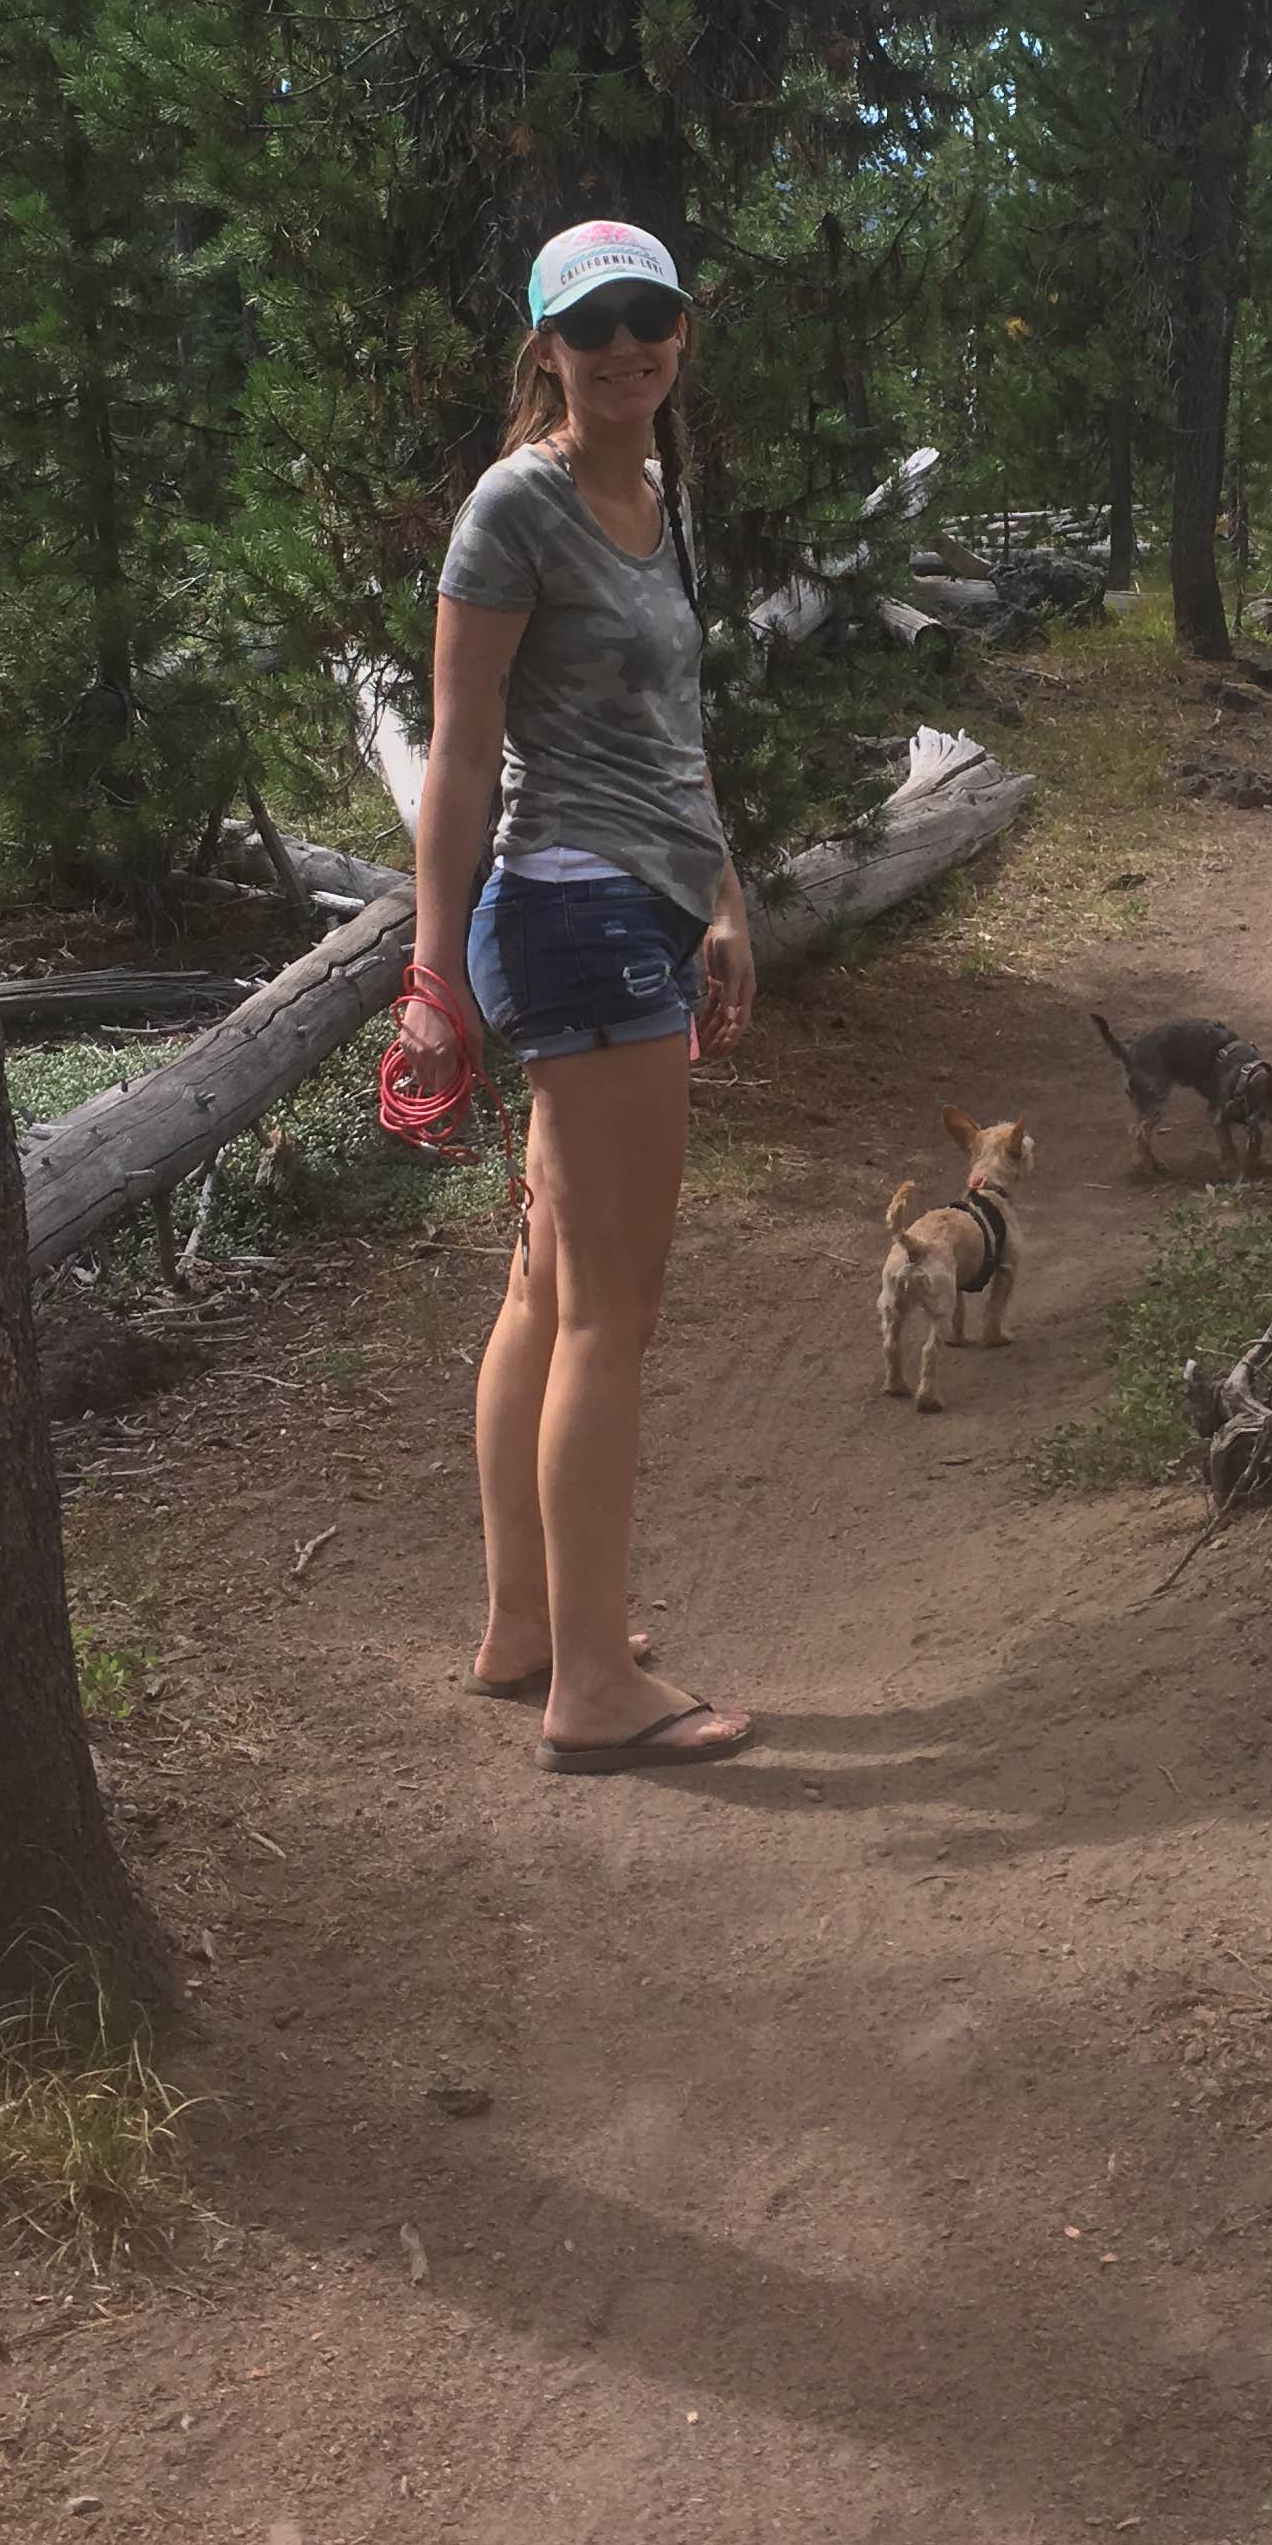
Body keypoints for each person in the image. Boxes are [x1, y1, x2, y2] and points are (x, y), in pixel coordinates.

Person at [394, 219, 758, 1774]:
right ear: (544, 346)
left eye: (651, 316)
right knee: (616, 1309)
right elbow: (464, 749)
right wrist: (427, 977)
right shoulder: (515, 507)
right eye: (591, 323)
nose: (627, 345)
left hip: (649, 908)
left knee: (552, 1289)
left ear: (682, 331)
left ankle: (529, 1628)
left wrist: (726, 899)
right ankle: (596, 1690)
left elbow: (679, 730)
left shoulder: (662, 500)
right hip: (569, 913)